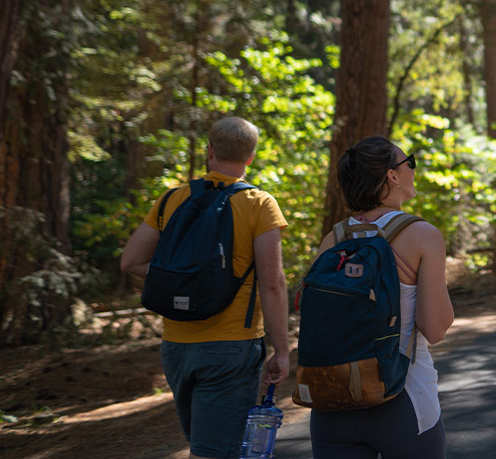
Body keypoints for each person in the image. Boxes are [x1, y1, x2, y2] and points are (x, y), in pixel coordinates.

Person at [121, 117, 289, 459]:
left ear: (209, 151)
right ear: (251, 157)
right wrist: (283, 351)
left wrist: (184, 280)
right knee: (213, 451)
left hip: (176, 346)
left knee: (205, 445)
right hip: (231, 348)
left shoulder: (172, 200)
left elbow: (131, 262)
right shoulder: (259, 203)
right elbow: (272, 284)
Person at [310, 136, 454, 459]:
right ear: (392, 175)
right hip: (401, 400)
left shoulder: (331, 241)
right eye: (410, 163)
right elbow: (435, 329)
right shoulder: (422, 235)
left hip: (331, 401)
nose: (413, 171)